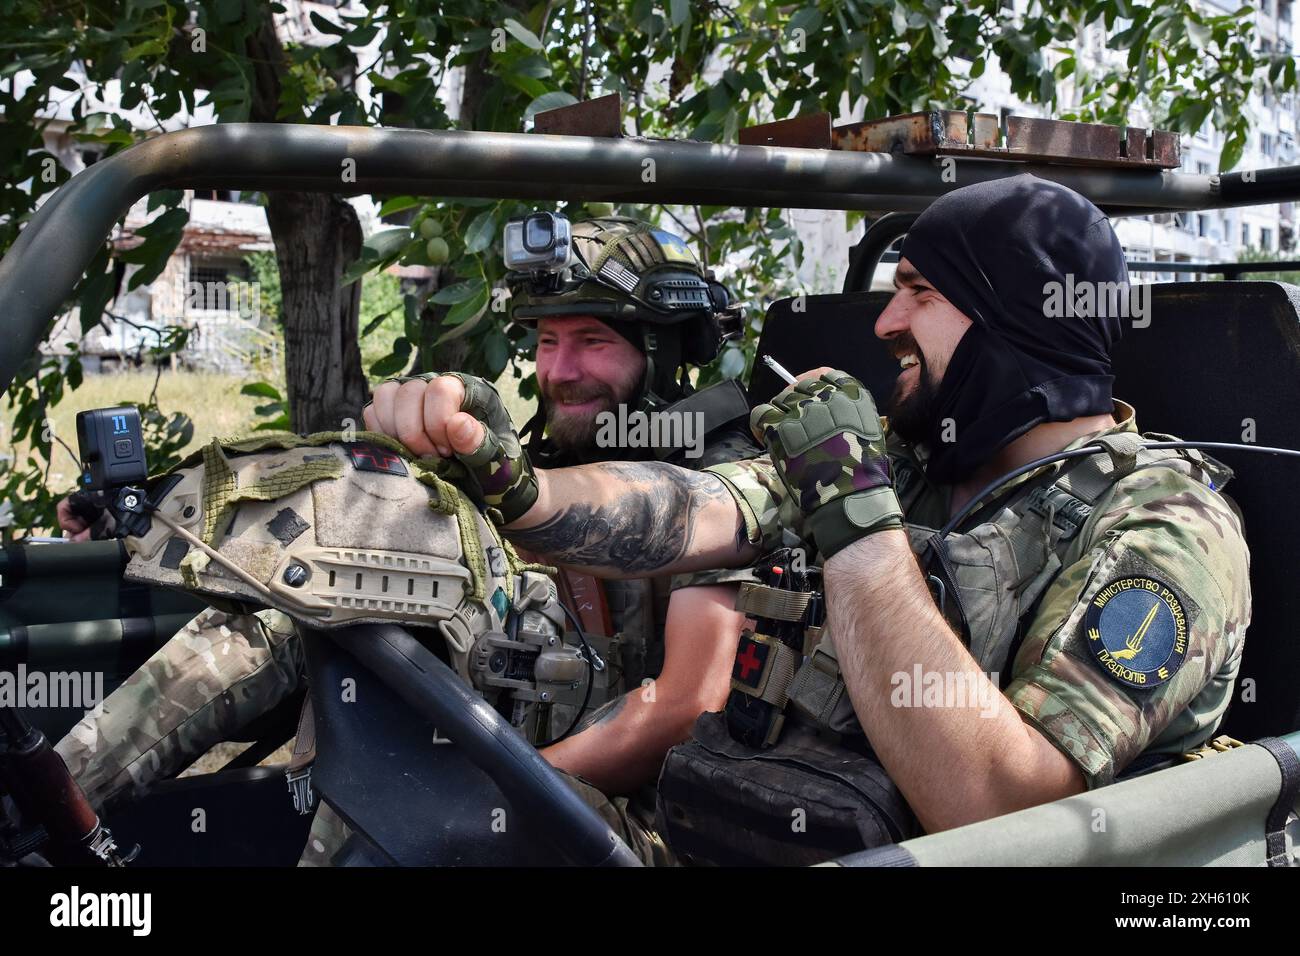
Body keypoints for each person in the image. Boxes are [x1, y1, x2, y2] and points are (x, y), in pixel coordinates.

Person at [373, 177, 1250, 854]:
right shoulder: (906, 466)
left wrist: (861, 531)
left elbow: (999, 813)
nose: (886, 323)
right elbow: (692, 512)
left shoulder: (1164, 528)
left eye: (921, 293)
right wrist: (518, 484)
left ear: (1016, 318)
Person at [56, 215, 761, 864]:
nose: (561, 371)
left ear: (664, 350)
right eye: (548, 341)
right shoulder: (550, 455)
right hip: (500, 746)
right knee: (319, 586)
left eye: (593, 342)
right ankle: (46, 809)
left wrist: (503, 778)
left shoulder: (721, 486)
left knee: (408, 765)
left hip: (616, 819)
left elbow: (679, 709)